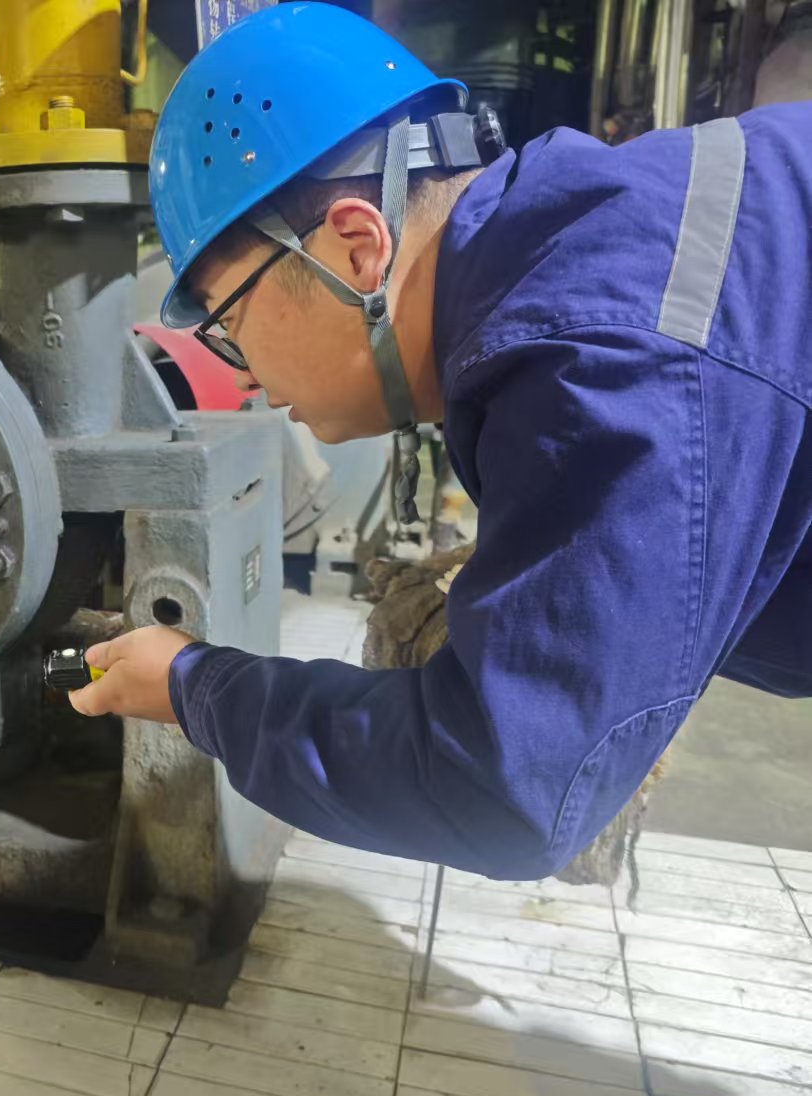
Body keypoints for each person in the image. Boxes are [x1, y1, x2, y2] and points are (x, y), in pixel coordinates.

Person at [68, 2, 812, 879]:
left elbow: (501, 786)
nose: (249, 375)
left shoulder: (599, 357)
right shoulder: (579, 248)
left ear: (356, 247)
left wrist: (194, 687)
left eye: (230, 322)